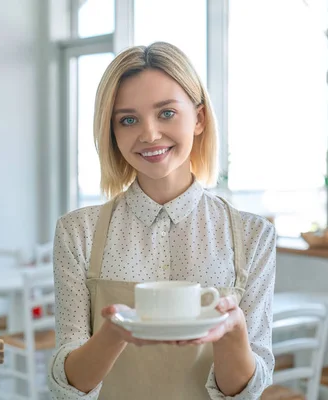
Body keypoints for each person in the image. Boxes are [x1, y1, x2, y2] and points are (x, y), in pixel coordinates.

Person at [47, 41, 276, 400]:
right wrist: (115, 332)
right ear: (112, 133)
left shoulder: (252, 235)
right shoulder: (78, 233)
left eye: (166, 113)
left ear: (199, 119)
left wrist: (233, 333)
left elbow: (245, 392)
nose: (149, 134)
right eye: (128, 119)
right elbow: (69, 386)